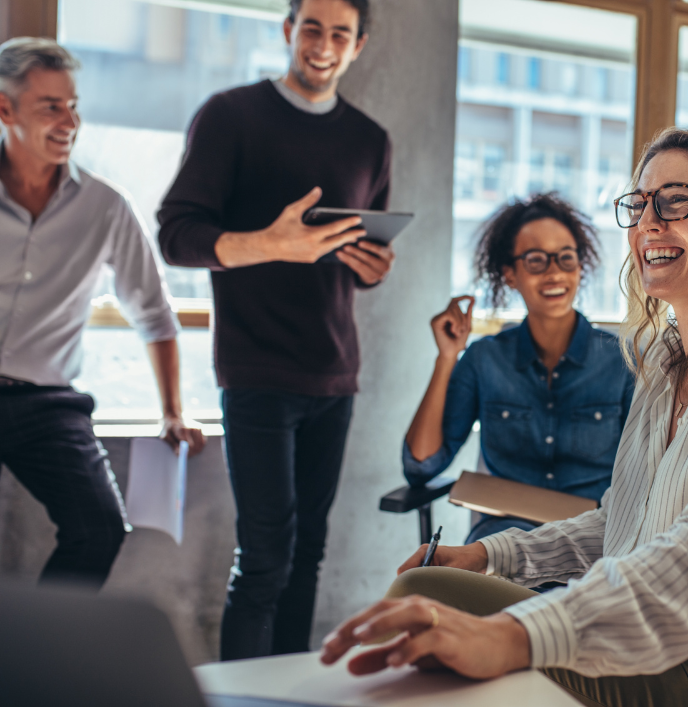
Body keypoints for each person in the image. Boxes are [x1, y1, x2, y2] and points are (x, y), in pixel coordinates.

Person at [321, 127, 688, 707]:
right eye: (639, 204)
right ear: (510, 275)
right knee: (426, 589)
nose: (648, 223)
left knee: (454, 636)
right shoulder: (663, 361)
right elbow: (621, 524)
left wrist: (515, 635)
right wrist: (490, 554)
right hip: (653, 644)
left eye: (675, 200)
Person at [157, 0, 393, 661]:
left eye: (339, 33)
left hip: (335, 370)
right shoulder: (230, 116)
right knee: (264, 559)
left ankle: (290, 692)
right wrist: (268, 243)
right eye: (311, 27)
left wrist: (373, 266)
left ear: (358, 46)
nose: (322, 43)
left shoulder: (371, 140)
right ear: (288, 31)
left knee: (307, 556)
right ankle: (241, 694)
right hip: (256, 369)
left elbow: (358, 252)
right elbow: (177, 235)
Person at [0, 38, 205, 589]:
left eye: (73, 105)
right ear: (5, 109)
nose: (70, 120)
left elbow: (154, 315)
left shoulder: (106, 207)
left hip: (47, 402)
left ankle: (36, 658)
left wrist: (172, 412)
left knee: (99, 528)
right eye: (51, 107)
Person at [403, 194, 634, 543]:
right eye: (536, 260)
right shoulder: (484, 359)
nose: (555, 272)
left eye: (566, 258)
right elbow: (421, 465)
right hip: (501, 542)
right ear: (509, 274)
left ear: (580, 267)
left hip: (593, 545)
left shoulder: (624, 361)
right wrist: (447, 357)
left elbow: (651, 475)